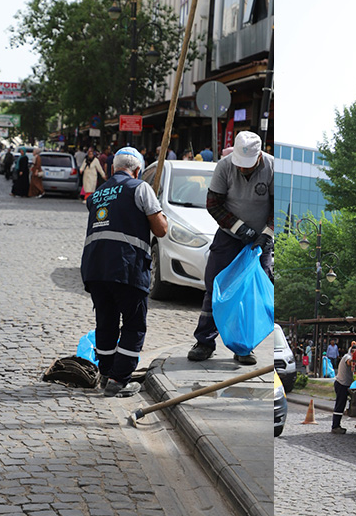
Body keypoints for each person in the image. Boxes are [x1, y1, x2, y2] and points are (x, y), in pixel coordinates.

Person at [81, 147, 168, 397]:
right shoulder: (140, 188)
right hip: (127, 268)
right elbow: (161, 230)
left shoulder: (97, 193)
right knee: (133, 324)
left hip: (95, 268)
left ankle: (106, 374)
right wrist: (156, 210)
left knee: (106, 323)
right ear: (138, 170)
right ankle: (119, 380)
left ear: (112, 169)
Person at [186, 131, 274, 366]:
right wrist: (238, 227)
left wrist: (267, 235)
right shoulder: (225, 167)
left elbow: (279, 206)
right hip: (229, 236)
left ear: (259, 156)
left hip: (259, 241)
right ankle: (204, 342)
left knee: (251, 293)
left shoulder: (272, 168)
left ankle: (244, 346)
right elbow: (213, 204)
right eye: (240, 164)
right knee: (215, 286)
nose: (242, 168)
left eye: (248, 165)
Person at [331, 346, 356, 434]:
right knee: (340, 406)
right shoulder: (347, 357)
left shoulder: (347, 356)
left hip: (344, 384)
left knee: (341, 405)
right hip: (341, 384)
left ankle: (336, 425)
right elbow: (349, 362)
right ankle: (335, 426)